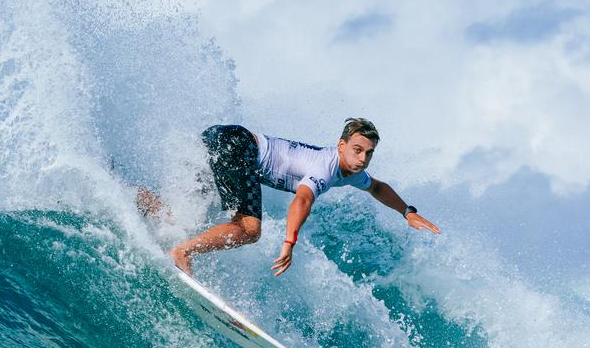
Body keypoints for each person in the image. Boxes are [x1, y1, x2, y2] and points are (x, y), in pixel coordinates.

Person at [166, 117, 440, 276]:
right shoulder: (326, 167)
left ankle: (136, 200)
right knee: (249, 229)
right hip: (238, 146)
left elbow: (377, 187)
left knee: (185, 215)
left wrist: (407, 212)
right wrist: (289, 242)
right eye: (357, 149)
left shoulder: (353, 172)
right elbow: (303, 199)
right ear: (341, 145)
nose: (363, 158)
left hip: (224, 136)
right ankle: (182, 252)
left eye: (369, 153)